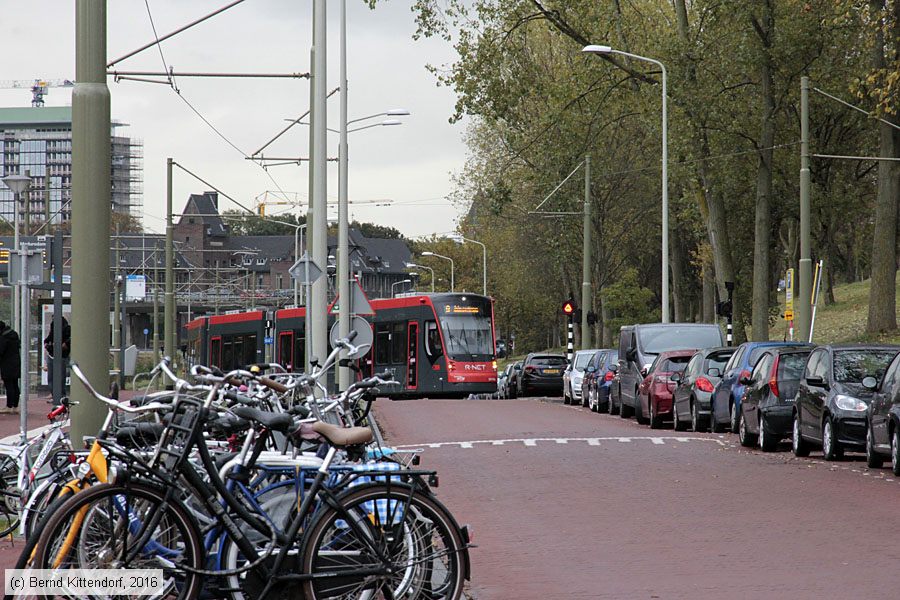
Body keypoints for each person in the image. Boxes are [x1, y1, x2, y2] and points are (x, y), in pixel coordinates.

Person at [44, 316, 71, 406]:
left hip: (62, 356)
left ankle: (61, 396)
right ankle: (54, 395)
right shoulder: (53, 329)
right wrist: (47, 343)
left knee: (60, 377)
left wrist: (64, 345)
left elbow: (69, 341)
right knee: (51, 377)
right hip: (52, 354)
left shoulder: (67, 330)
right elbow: (49, 337)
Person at [0, 321, 21, 414]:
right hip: (16, 361)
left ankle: (9, 406)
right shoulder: (14, 335)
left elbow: (1, 352)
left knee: (9, 385)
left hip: (6, 363)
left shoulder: (3, 338)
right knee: (15, 384)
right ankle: (15, 406)